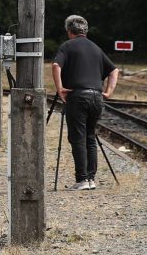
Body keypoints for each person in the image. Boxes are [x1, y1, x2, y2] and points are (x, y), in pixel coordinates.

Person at [51, 14, 119, 191]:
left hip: (78, 96)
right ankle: (91, 179)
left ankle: (82, 179)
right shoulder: (96, 48)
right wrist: (109, 92)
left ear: (68, 31)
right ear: (85, 31)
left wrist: (60, 88)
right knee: (90, 137)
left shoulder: (67, 46)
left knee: (77, 137)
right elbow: (114, 70)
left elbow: (56, 66)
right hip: (97, 97)